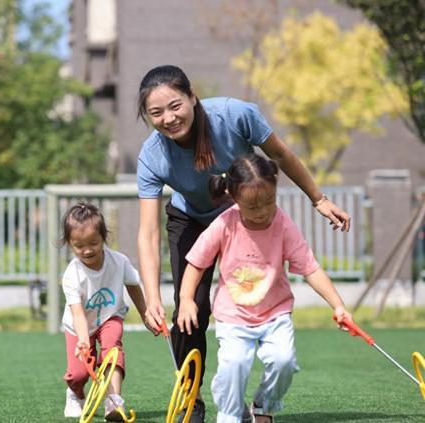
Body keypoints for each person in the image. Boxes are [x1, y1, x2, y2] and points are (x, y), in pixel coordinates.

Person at [135, 64, 351, 422]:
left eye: (175, 105)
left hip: (244, 216)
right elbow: (147, 232)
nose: (168, 118)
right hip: (189, 220)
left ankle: (261, 401)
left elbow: (281, 155)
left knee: (261, 293)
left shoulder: (236, 115)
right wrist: (154, 297)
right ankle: (192, 399)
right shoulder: (152, 154)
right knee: (191, 310)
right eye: (155, 113)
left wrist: (319, 199)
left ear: (192, 97)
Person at [177, 153, 353, 423]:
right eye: (252, 206)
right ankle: (230, 411)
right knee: (234, 366)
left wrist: (338, 305)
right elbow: (196, 263)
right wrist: (187, 298)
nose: (262, 212)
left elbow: (310, 268)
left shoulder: (283, 224)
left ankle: (263, 407)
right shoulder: (224, 224)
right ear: (234, 198)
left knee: (284, 361)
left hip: (275, 313)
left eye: (269, 202)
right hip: (233, 316)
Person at [60, 201, 148, 421]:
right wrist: (82, 340)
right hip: (78, 326)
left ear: (103, 238)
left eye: (93, 242)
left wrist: (146, 314)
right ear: (70, 244)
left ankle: (114, 402)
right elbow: (78, 314)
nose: (87, 250)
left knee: (112, 350)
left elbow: (133, 285)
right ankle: (75, 393)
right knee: (79, 373)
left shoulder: (119, 261)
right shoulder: (72, 274)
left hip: (110, 316)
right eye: (79, 245)